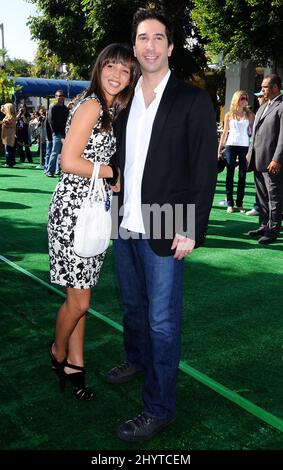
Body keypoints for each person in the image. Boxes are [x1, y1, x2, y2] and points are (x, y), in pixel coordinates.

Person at [106, 8, 217, 442]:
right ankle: (137, 360)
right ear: (134, 47)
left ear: (170, 47)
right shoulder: (126, 99)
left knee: (162, 323)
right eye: (141, 38)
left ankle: (159, 407)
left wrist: (190, 227)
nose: (149, 45)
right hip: (125, 222)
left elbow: (204, 169)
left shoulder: (192, 100)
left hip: (169, 223)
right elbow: (124, 157)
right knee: (133, 307)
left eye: (157, 38)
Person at [47, 43, 139, 400]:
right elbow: (69, 161)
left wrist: (107, 176)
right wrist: (111, 170)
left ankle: (76, 363)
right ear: (99, 67)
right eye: (111, 67)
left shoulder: (109, 109)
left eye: (125, 70)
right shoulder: (91, 105)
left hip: (90, 210)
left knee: (80, 294)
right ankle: (57, 352)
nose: (117, 75)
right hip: (73, 211)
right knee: (80, 302)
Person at [246, 74, 283, 244]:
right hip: (257, 160)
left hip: (272, 162)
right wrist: (249, 156)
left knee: (274, 197)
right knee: (261, 196)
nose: (262, 90)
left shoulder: (281, 106)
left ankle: (273, 231)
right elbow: (255, 134)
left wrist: (277, 159)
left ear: (275, 87)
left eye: (265, 87)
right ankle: (263, 225)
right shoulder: (263, 106)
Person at [218, 90, 255, 213]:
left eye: (246, 98)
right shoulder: (229, 115)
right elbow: (224, 134)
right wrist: (219, 150)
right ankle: (230, 202)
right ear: (236, 99)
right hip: (230, 146)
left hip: (244, 146)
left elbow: (255, 131)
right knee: (229, 174)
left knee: (243, 176)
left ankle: (240, 203)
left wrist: (253, 148)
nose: (244, 100)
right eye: (242, 98)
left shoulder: (250, 114)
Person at [246, 91, 267, 217]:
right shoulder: (259, 111)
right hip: (258, 154)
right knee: (259, 185)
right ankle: (258, 206)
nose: (258, 98)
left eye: (260, 96)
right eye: (258, 96)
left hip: (269, 155)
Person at [45, 90, 69, 177]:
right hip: (57, 133)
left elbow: (68, 122)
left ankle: (59, 170)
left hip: (65, 133)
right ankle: (49, 171)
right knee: (55, 152)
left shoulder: (66, 109)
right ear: (55, 97)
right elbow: (51, 122)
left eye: (62, 96)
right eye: (58, 96)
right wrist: (56, 132)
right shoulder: (53, 108)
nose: (60, 97)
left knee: (63, 153)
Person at [0, 103, 16, 168]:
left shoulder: (10, 116)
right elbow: (3, 111)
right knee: (10, 149)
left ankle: (9, 163)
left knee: (8, 150)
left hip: (9, 134)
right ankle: (12, 162)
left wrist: (4, 122)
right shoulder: (10, 115)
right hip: (8, 134)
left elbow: (10, 125)